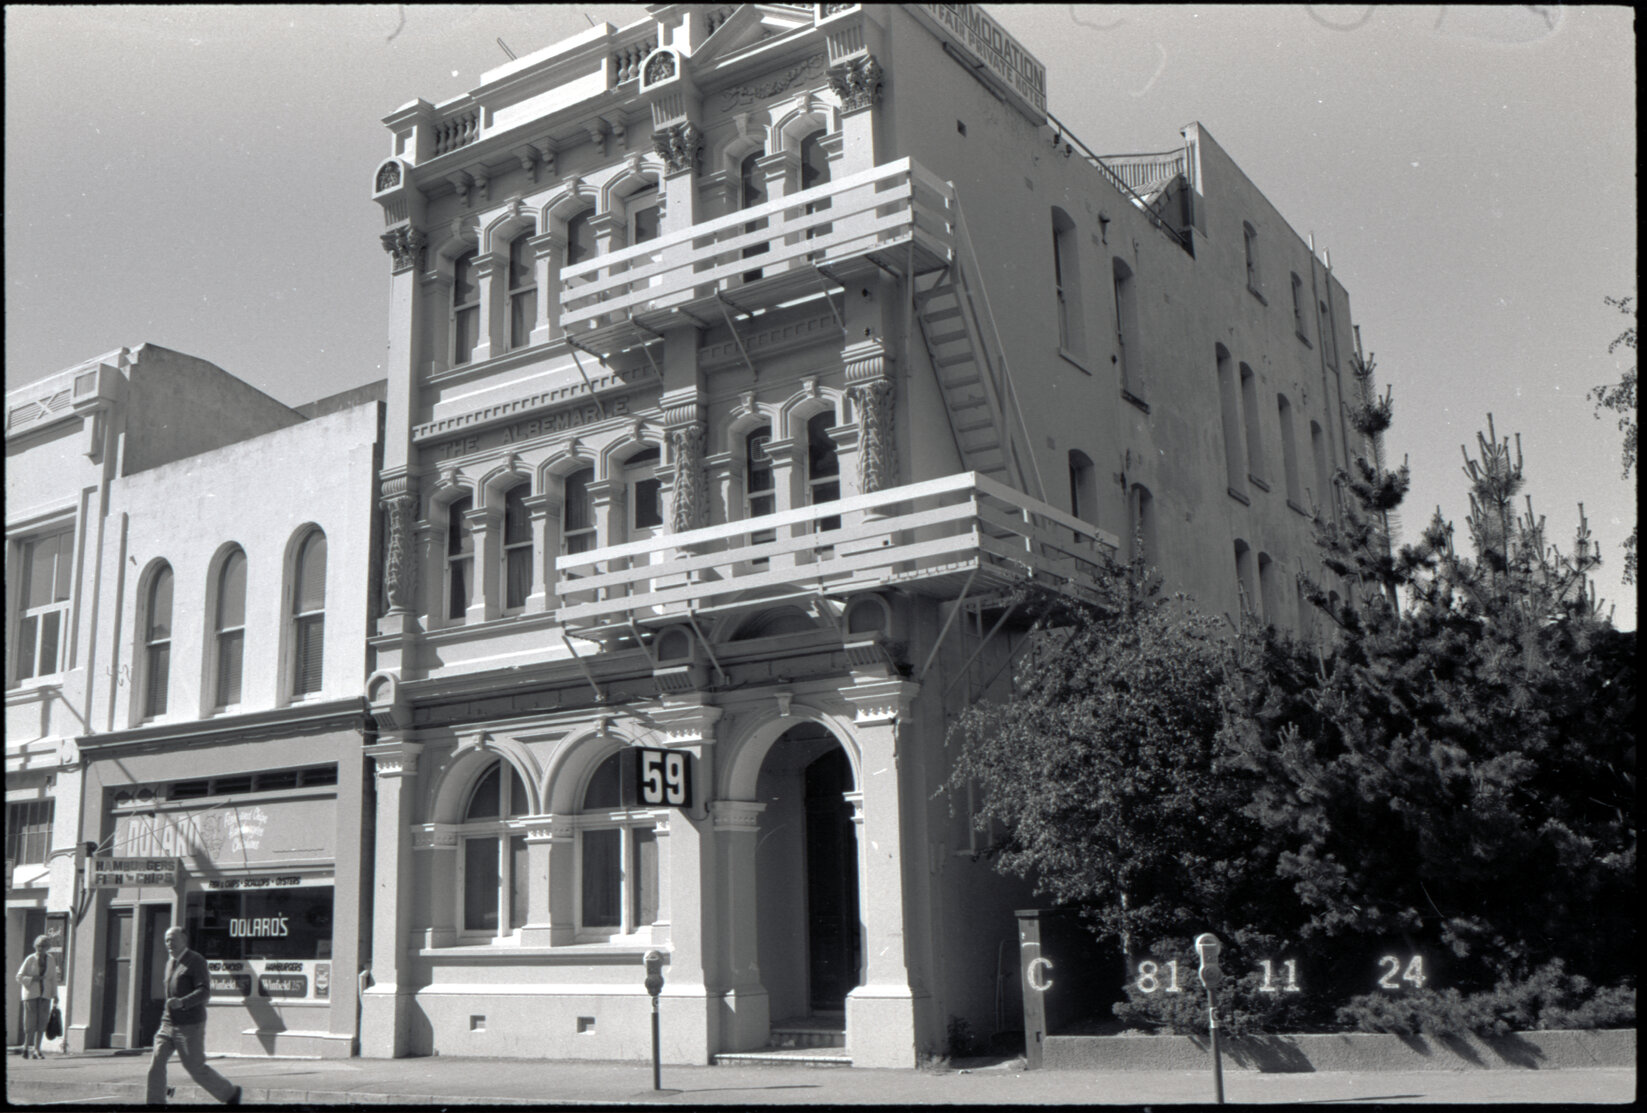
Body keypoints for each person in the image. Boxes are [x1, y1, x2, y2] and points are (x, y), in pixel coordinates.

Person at [146, 927, 240, 1105]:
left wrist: (182, 1002)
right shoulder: (170, 963)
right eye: (166, 940)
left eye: (173, 939)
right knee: (156, 1063)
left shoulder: (196, 961)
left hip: (189, 1025)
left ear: (184, 939)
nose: (169, 943)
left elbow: (204, 992)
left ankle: (230, 1094)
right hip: (168, 1023)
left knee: (195, 1068)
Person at [14, 934, 58, 1059]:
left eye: (43, 946)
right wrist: (33, 979)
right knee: (30, 1022)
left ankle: (37, 1049)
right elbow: (19, 977)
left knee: (42, 1022)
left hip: (45, 994)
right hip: (31, 994)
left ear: (48, 947)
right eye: (38, 945)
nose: (41, 948)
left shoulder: (51, 959)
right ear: (35, 946)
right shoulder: (30, 959)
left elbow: (53, 978)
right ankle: (26, 1047)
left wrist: (55, 995)